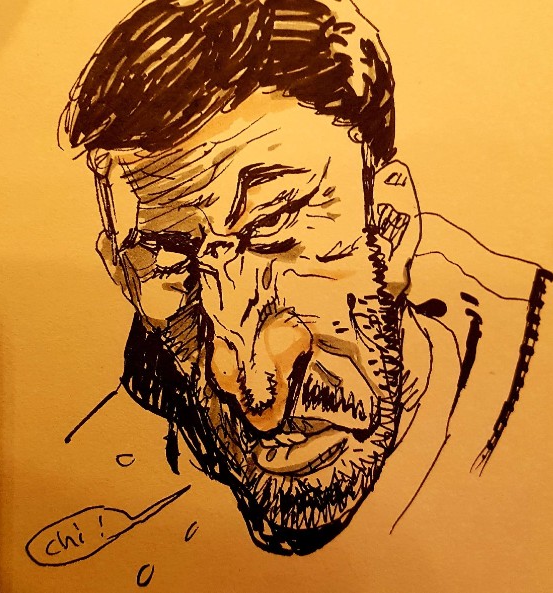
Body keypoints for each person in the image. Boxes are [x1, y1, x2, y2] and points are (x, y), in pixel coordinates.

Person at [60, 0, 551, 555]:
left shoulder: (534, 390)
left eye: (272, 225)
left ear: (389, 224)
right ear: (125, 276)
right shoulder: (85, 465)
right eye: (174, 266)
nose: (246, 378)